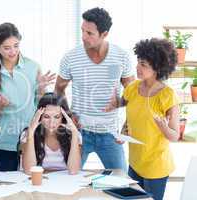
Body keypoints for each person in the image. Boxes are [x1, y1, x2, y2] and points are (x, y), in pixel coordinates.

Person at [54, 7, 134, 170]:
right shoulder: (71, 57)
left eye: (89, 33)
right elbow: (58, 91)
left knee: (121, 182)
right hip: (79, 133)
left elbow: (133, 95)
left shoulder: (121, 57)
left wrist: (127, 124)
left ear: (104, 34)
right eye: (83, 31)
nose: (83, 37)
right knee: (69, 179)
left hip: (110, 134)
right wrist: (69, 115)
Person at [106, 38, 179, 200]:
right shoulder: (132, 88)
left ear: (158, 68)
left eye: (143, 64)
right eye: (138, 62)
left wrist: (163, 127)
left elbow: (174, 136)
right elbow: (131, 117)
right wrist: (123, 133)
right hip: (135, 162)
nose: (137, 67)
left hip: (156, 166)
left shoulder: (167, 95)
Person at [0, 23, 55, 171]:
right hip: (3, 141)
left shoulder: (33, 67)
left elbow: (41, 107)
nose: (12, 51)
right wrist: (0, 106)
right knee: (7, 188)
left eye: (16, 46)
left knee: (33, 186)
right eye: (6, 48)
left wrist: (41, 89)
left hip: (31, 138)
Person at [20, 92, 81, 174]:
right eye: (46, 116)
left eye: (57, 117)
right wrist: (31, 132)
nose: (51, 122)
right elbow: (29, 171)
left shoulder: (74, 135)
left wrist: (74, 133)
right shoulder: (27, 134)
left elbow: (73, 171)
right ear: (39, 116)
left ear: (63, 117)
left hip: (64, 183)